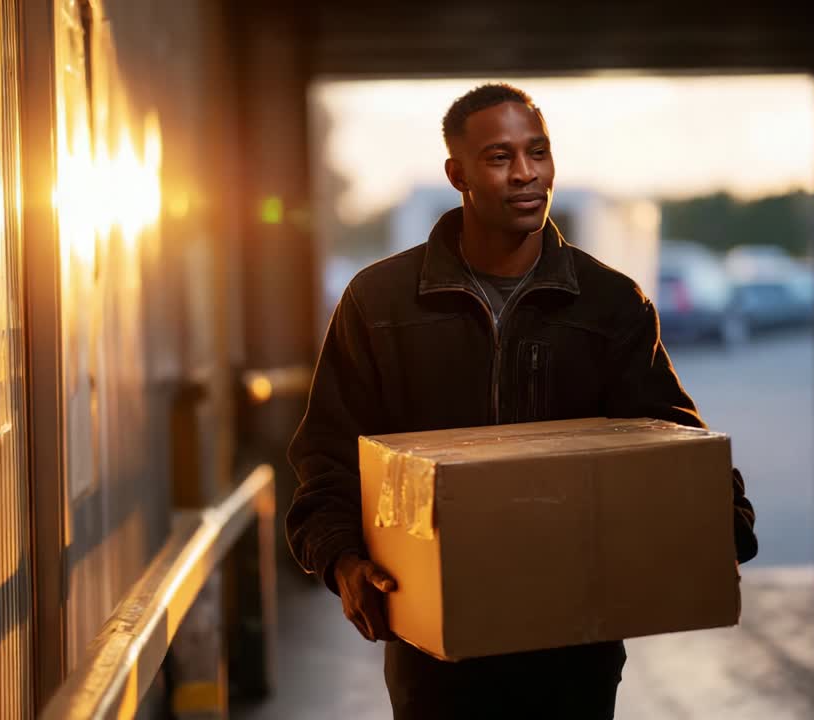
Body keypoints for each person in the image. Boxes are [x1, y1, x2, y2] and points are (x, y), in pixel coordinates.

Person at [287, 83, 759, 720]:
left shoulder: (609, 303)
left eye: (538, 153)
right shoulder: (381, 305)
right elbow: (329, 452)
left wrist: (717, 518)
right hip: (436, 651)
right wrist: (342, 559)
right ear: (457, 173)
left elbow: (666, 431)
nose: (526, 174)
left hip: (573, 646)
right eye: (499, 157)